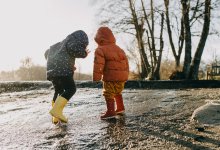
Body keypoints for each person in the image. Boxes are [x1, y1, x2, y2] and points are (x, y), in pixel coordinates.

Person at [45, 30, 90, 124]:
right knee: (71, 89)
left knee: (58, 91)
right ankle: (56, 111)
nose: (83, 47)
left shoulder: (59, 44)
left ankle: (55, 117)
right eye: (83, 45)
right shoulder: (72, 41)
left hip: (53, 73)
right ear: (81, 40)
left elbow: (47, 53)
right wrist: (84, 53)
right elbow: (74, 49)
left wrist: (67, 64)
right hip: (63, 72)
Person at [93, 27, 129, 120]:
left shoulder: (100, 49)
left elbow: (99, 65)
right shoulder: (119, 49)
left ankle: (111, 112)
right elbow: (126, 63)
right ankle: (120, 108)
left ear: (99, 38)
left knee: (108, 93)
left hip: (110, 76)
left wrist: (96, 78)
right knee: (117, 91)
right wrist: (125, 75)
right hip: (121, 77)